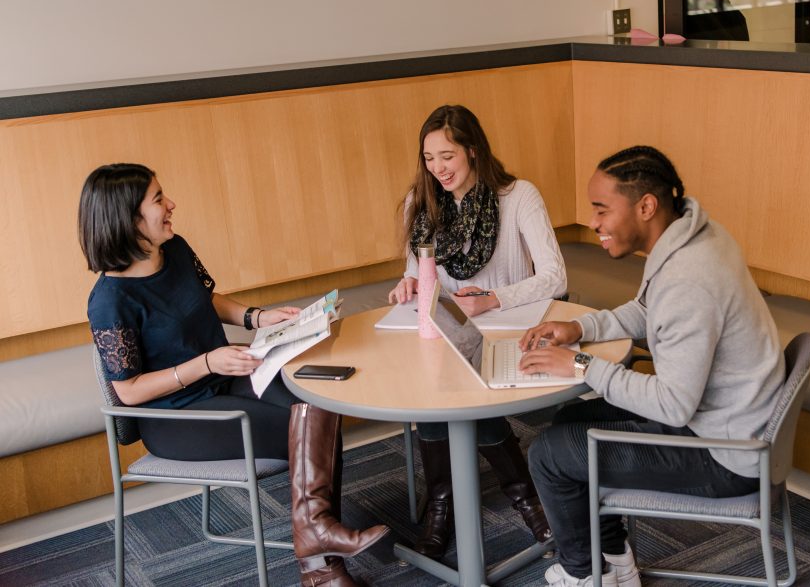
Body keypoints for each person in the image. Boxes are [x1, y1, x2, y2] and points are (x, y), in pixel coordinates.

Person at [80, 163, 389, 587]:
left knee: (316, 405)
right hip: (175, 418)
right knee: (301, 427)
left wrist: (258, 318)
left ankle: (320, 557)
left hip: (222, 381)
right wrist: (207, 363)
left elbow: (205, 300)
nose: (171, 204)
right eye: (157, 200)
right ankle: (320, 564)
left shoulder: (175, 250)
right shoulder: (109, 301)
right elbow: (128, 392)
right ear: (128, 218)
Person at [518, 146, 784, 587]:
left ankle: (585, 576)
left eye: (602, 210)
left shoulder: (689, 278)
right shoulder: (692, 236)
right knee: (572, 419)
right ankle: (616, 563)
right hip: (724, 419)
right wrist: (579, 329)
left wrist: (581, 364)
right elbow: (646, 310)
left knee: (549, 455)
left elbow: (673, 405)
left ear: (646, 206)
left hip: (725, 453)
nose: (594, 223)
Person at [388, 104, 566, 558]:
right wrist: (409, 282)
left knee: (459, 389)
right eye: (429, 158)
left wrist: (492, 299)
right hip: (449, 333)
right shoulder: (421, 202)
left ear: (472, 149)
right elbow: (418, 274)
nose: (437, 168)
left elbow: (555, 277)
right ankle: (519, 501)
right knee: (438, 384)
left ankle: (446, 506)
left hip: (508, 327)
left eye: (446, 156)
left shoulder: (518, 196)